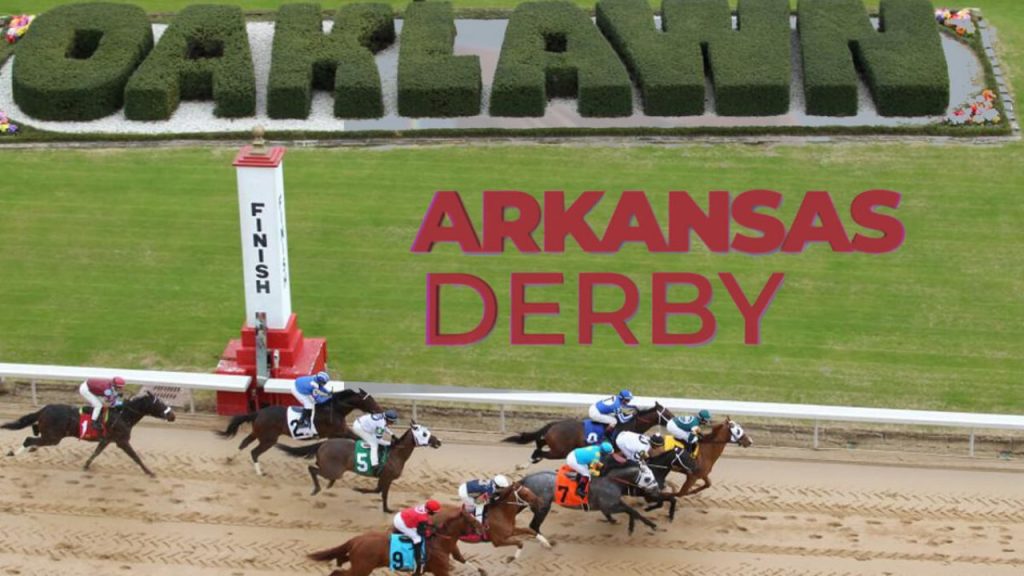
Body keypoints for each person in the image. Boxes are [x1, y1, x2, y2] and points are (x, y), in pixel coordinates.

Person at [393, 499, 441, 575]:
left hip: (400, 515)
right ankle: (418, 560)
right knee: (417, 539)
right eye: (435, 512)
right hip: (400, 523)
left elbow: (425, 520)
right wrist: (430, 533)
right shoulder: (422, 517)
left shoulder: (424, 507)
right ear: (430, 511)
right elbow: (421, 532)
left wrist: (431, 526)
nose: (435, 514)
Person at [352, 409, 398, 474]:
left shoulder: (383, 416)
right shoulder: (381, 424)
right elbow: (378, 440)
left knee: (373, 436)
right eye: (392, 422)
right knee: (374, 444)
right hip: (359, 427)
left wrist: (392, 434)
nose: (392, 424)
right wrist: (389, 443)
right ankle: (374, 465)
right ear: (388, 420)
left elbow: (384, 426)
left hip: (361, 423)